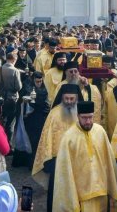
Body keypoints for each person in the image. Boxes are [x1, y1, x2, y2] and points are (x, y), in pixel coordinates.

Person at [52, 101, 117, 212]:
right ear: (78, 116)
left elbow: (109, 163)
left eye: (90, 117)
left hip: (102, 192)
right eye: (84, 118)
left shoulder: (100, 132)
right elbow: (65, 171)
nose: (88, 121)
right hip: (83, 197)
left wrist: (112, 189)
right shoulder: (68, 138)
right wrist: (72, 200)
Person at [32, 84, 80, 212]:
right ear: (62, 98)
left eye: (72, 99)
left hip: (78, 162)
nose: (69, 102)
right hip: (58, 163)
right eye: (66, 99)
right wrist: (49, 162)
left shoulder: (82, 115)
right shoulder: (54, 114)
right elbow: (46, 139)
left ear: (77, 98)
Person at [0, 50, 22, 141]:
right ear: (14, 60)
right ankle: (9, 144)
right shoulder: (15, 71)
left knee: (1, 120)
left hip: (1, 98)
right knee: (11, 123)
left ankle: (0, 140)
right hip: (12, 98)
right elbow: (18, 87)